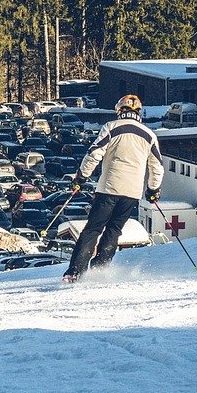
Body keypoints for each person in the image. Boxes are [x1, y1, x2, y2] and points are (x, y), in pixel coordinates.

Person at [63, 94, 164, 283]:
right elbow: (157, 166)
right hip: (132, 193)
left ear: (120, 110)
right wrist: (152, 190)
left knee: (93, 229)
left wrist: (81, 177)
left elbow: (94, 153)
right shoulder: (149, 135)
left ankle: (75, 272)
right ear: (138, 112)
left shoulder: (111, 128)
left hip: (109, 188)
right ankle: (100, 268)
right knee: (114, 230)